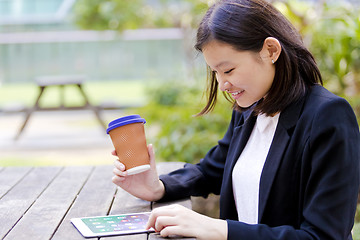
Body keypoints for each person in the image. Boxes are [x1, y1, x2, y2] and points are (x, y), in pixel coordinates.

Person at [112, 0, 360, 239]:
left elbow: (323, 235)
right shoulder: (249, 108)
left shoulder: (328, 117)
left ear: (271, 50)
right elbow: (211, 171)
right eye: (215, 72)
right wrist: (158, 187)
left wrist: (218, 229)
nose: (222, 84)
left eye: (228, 70)